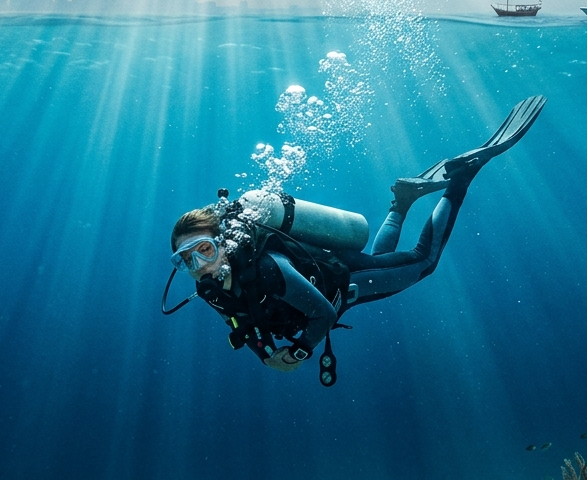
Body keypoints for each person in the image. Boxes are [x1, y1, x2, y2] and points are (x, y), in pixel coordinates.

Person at [164, 96, 545, 385]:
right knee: (381, 257)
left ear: (224, 243)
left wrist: (298, 351)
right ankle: (403, 203)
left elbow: (323, 314)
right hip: (340, 271)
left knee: (423, 260)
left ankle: (461, 177)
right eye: (187, 260)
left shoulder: (267, 270)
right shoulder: (212, 289)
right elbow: (241, 322)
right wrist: (265, 355)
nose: (201, 266)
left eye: (205, 250)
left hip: (347, 280)